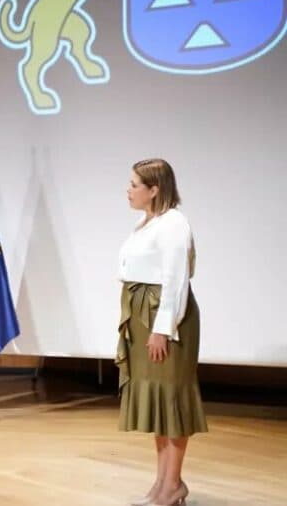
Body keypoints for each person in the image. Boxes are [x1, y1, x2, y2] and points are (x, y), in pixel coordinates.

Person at [116, 159, 207, 506]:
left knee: (172, 401)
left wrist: (162, 329)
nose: (128, 190)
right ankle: (165, 482)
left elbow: (176, 281)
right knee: (157, 401)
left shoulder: (174, 224)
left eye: (134, 184)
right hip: (143, 318)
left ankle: (172, 485)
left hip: (165, 322)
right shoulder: (146, 223)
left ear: (154, 189)